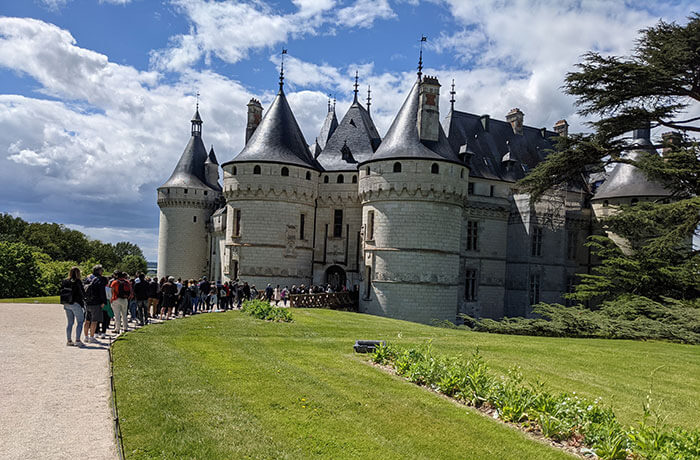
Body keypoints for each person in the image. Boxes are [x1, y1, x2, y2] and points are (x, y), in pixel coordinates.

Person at [60, 266, 86, 346]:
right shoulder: (78, 281)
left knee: (70, 323)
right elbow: (82, 293)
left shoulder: (65, 281)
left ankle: (69, 340)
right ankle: (77, 340)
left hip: (66, 303)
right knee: (80, 322)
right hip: (76, 303)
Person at [83, 265, 108, 343]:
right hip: (96, 302)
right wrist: (104, 301)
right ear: (100, 271)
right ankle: (92, 337)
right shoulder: (99, 280)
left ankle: (86, 336)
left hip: (87, 302)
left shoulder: (88, 278)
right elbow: (102, 292)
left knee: (87, 320)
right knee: (94, 321)